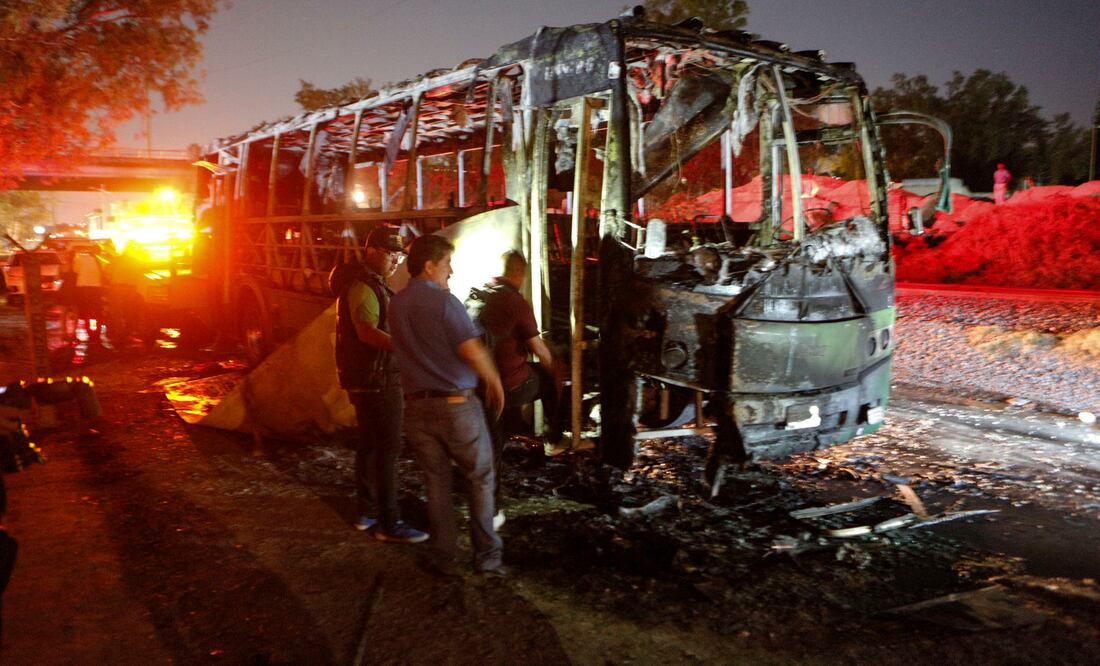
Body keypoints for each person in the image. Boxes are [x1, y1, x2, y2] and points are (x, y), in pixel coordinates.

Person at [388, 234, 506, 576]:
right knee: (480, 477)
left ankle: (444, 554)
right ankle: (487, 557)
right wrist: (494, 380)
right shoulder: (444, 302)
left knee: (435, 482)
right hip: (456, 406)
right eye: (446, 264)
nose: (450, 271)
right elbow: (470, 349)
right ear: (429, 265)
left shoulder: (397, 303)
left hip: (416, 408)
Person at [329, 226, 427, 544]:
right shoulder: (362, 287)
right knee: (387, 450)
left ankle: (366, 512)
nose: (397, 262)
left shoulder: (372, 284)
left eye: (399, 255)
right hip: (377, 381)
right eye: (392, 255)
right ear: (373, 252)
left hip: (370, 379)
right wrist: (407, 346)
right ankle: (390, 522)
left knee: (371, 447)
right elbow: (367, 333)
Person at [475, 250, 562, 526]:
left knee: (493, 444)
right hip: (509, 384)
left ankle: (492, 508)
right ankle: (554, 437)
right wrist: (555, 368)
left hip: (479, 385)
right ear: (519, 274)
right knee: (548, 379)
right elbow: (538, 348)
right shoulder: (515, 301)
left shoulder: (480, 295)